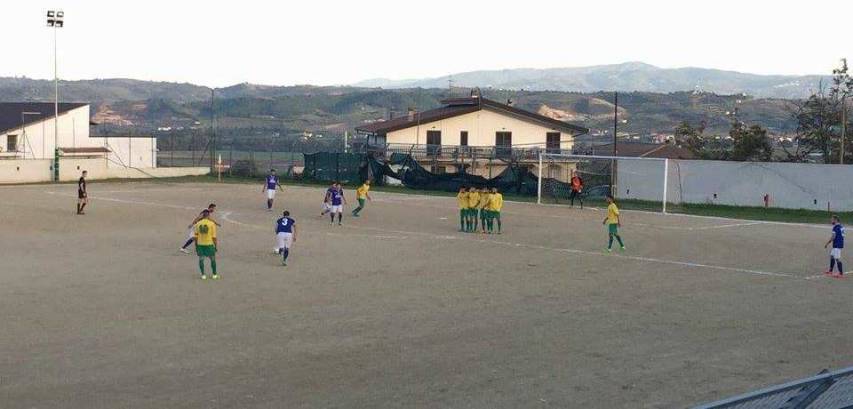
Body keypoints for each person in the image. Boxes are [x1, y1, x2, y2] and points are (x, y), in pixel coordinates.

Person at [194, 209, 219, 280]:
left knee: (201, 259)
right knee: (212, 259)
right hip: (209, 244)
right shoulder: (212, 224)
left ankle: (203, 275)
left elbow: (195, 236)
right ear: (208, 215)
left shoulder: (198, 224)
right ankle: (214, 275)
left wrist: (196, 245)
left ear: (203, 215)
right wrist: (216, 246)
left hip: (200, 244)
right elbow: (214, 237)